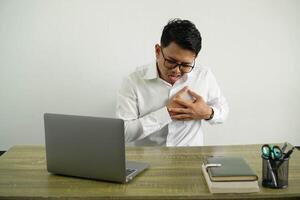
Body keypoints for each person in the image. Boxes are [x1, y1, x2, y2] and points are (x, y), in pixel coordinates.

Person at [116, 19, 229, 146]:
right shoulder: (133, 82)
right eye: (171, 61)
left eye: (186, 64)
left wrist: (208, 112)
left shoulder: (203, 76)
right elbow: (123, 133)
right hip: (150, 160)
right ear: (158, 51)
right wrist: (167, 112)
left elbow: (223, 111)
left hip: (192, 158)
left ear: (194, 58)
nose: (176, 71)